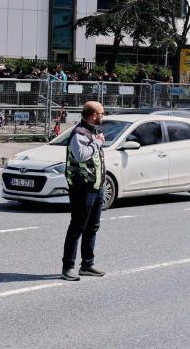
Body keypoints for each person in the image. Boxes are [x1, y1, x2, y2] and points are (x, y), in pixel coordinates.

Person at [61, 101, 107, 281]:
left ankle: (87, 264)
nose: (103, 116)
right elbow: (81, 155)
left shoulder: (92, 132)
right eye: (101, 113)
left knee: (92, 227)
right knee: (77, 227)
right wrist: (97, 143)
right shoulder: (79, 133)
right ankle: (68, 268)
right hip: (82, 188)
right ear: (93, 115)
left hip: (96, 187)